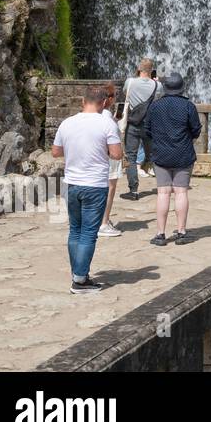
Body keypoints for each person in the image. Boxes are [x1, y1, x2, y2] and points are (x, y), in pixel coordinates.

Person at [53, 84, 124, 294]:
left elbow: (56, 152)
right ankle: (80, 281)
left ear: (83, 102)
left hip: (71, 183)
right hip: (95, 185)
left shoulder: (67, 123)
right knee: (88, 234)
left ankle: (77, 273)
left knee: (75, 230)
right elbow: (117, 154)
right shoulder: (106, 124)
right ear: (103, 103)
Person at [143, 73, 200, 246]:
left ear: (165, 88)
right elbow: (196, 130)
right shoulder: (188, 106)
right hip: (183, 154)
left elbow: (147, 130)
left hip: (160, 154)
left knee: (163, 193)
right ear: (182, 88)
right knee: (181, 192)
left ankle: (160, 234)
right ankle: (181, 232)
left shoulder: (155, 106)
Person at [120, 58, 159, 201]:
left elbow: (126, 95)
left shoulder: (129, 82)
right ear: (151, 70)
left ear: (138, 69)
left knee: (131, 157)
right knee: (154, 156)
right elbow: (158, 100)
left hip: (133, 124)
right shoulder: (158, 85)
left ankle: (134, 191)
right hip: (149, 126)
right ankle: (163, 186)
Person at [98, 82, 124, 238]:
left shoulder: (92, 116)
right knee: (109, 188)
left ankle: (96, 220)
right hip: (109, 156)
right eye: (114, 95)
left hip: (94, 156)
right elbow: (115, 150)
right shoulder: (108, 121)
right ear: (110, 99)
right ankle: (104, 222)